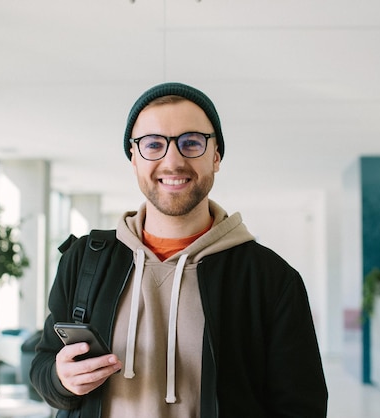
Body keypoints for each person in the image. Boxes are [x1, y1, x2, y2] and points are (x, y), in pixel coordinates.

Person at [30, 82, 328, 417]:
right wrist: (61, 378)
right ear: (134, 158)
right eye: (153, 144)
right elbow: (43, 365)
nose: (173, 161)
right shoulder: (85, 260)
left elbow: (302, 406)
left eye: (191, 143)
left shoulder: (271, 279)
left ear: (216, 156)